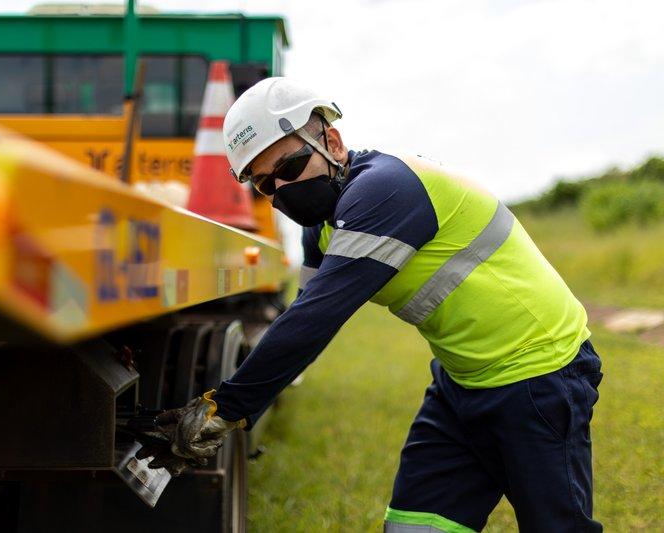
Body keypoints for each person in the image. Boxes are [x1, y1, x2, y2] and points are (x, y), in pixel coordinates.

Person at [143, 77, 603, 532]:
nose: (282, 190)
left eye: (289, 166)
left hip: (540, 375)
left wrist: (225, 408)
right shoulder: (321, 229)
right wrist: (240, 406)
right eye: (265, 185)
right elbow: (299, 317)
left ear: (333, 142)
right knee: (413, 527)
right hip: (461, 383)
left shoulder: (385, 190)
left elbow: (316, 318)